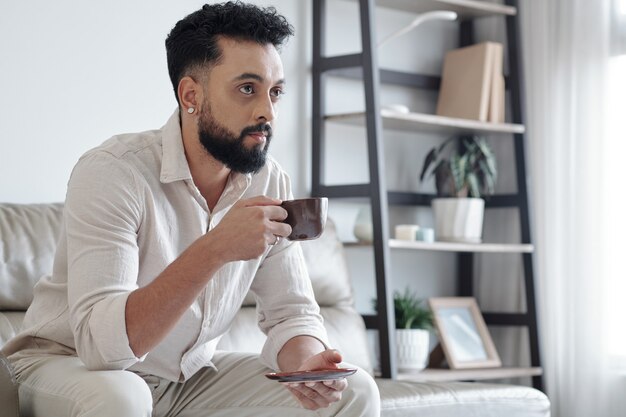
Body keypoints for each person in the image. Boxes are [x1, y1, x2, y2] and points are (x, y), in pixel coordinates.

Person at [1, 2, 380, 416]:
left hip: (185, 380)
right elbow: (102, 350)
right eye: (247, 88)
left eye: (275, 92)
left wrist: (307, 364)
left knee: (355, 389)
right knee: (121, 397)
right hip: (68, 367)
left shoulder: (269, 180)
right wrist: (215, 247)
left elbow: (292, 312)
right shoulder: (113, 171)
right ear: (190, 96)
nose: (267, 113)